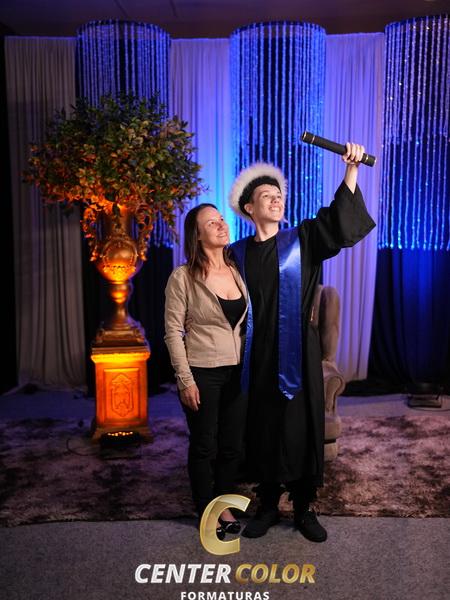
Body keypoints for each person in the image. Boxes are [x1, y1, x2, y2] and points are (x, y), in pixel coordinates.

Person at [228, 143, 376, 542]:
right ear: (249, 208)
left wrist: (351, 171)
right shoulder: (235, 255)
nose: (276, 199)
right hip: (256, 354)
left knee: (300, 426)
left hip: (298, 350)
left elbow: (337, 225)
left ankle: (305, 506)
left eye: (279, 195)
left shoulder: (302, 239)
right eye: (266, 196)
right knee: (264, 427)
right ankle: (267, 504)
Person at [164, 203, 248, 539]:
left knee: (232, 446)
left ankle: (222, 504)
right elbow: (173, 332)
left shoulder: (237, 269)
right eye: (211, 222)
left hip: (238, 371)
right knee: (204, 445)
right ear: (197, 235)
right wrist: (185, 380)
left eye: (221, 219)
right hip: (202, 371)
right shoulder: (182, 277)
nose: (221, 225)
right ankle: (205, 509)